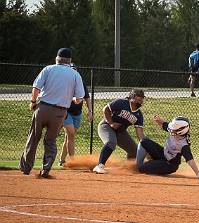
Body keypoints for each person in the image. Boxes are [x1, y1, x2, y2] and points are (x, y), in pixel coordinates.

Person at [19, 48, 85, 178]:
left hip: (43, 108)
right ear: (70, 60)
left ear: (57, 59)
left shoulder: (48, 69)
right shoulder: (75, 74)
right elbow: (79, 99)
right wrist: (69, 98)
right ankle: (46, 169)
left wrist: (33, 102)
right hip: (59, 113)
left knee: (33, 138)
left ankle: (26, 168)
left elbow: (36, 88)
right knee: (50, 141)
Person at [92, 89, 146, 174]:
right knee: (111, 142)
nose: (140, 100)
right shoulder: (121, 103)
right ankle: (99, 166)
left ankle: (128, 167)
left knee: (134, 151)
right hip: (106, 126)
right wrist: (111, 123)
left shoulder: (139, 115)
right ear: (131, 97)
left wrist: (146, 145)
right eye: (138, 98)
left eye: (142, 98)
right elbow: (105, 109)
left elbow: (140, 133)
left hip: (120, 132)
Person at [135, 115, 199, 178]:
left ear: (181, 130)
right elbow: (165, 125)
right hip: (163, 154)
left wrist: (198, 173)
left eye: (174, 129)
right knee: (144, 141)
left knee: (143, 168)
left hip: (169, 165)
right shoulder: (174, 130)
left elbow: (190, 160)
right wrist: (159, 121)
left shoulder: (184, 145)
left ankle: (155, 167)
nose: (171, 130)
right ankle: (138, 165)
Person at [59, 64, 93, 166]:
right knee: (71, 134)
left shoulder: (81, 83)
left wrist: (90, 111)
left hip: (77, 113)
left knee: (69, 137)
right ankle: (72, 162)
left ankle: (61, 160)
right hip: (66, 112)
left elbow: (87, 98)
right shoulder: (64, 84)